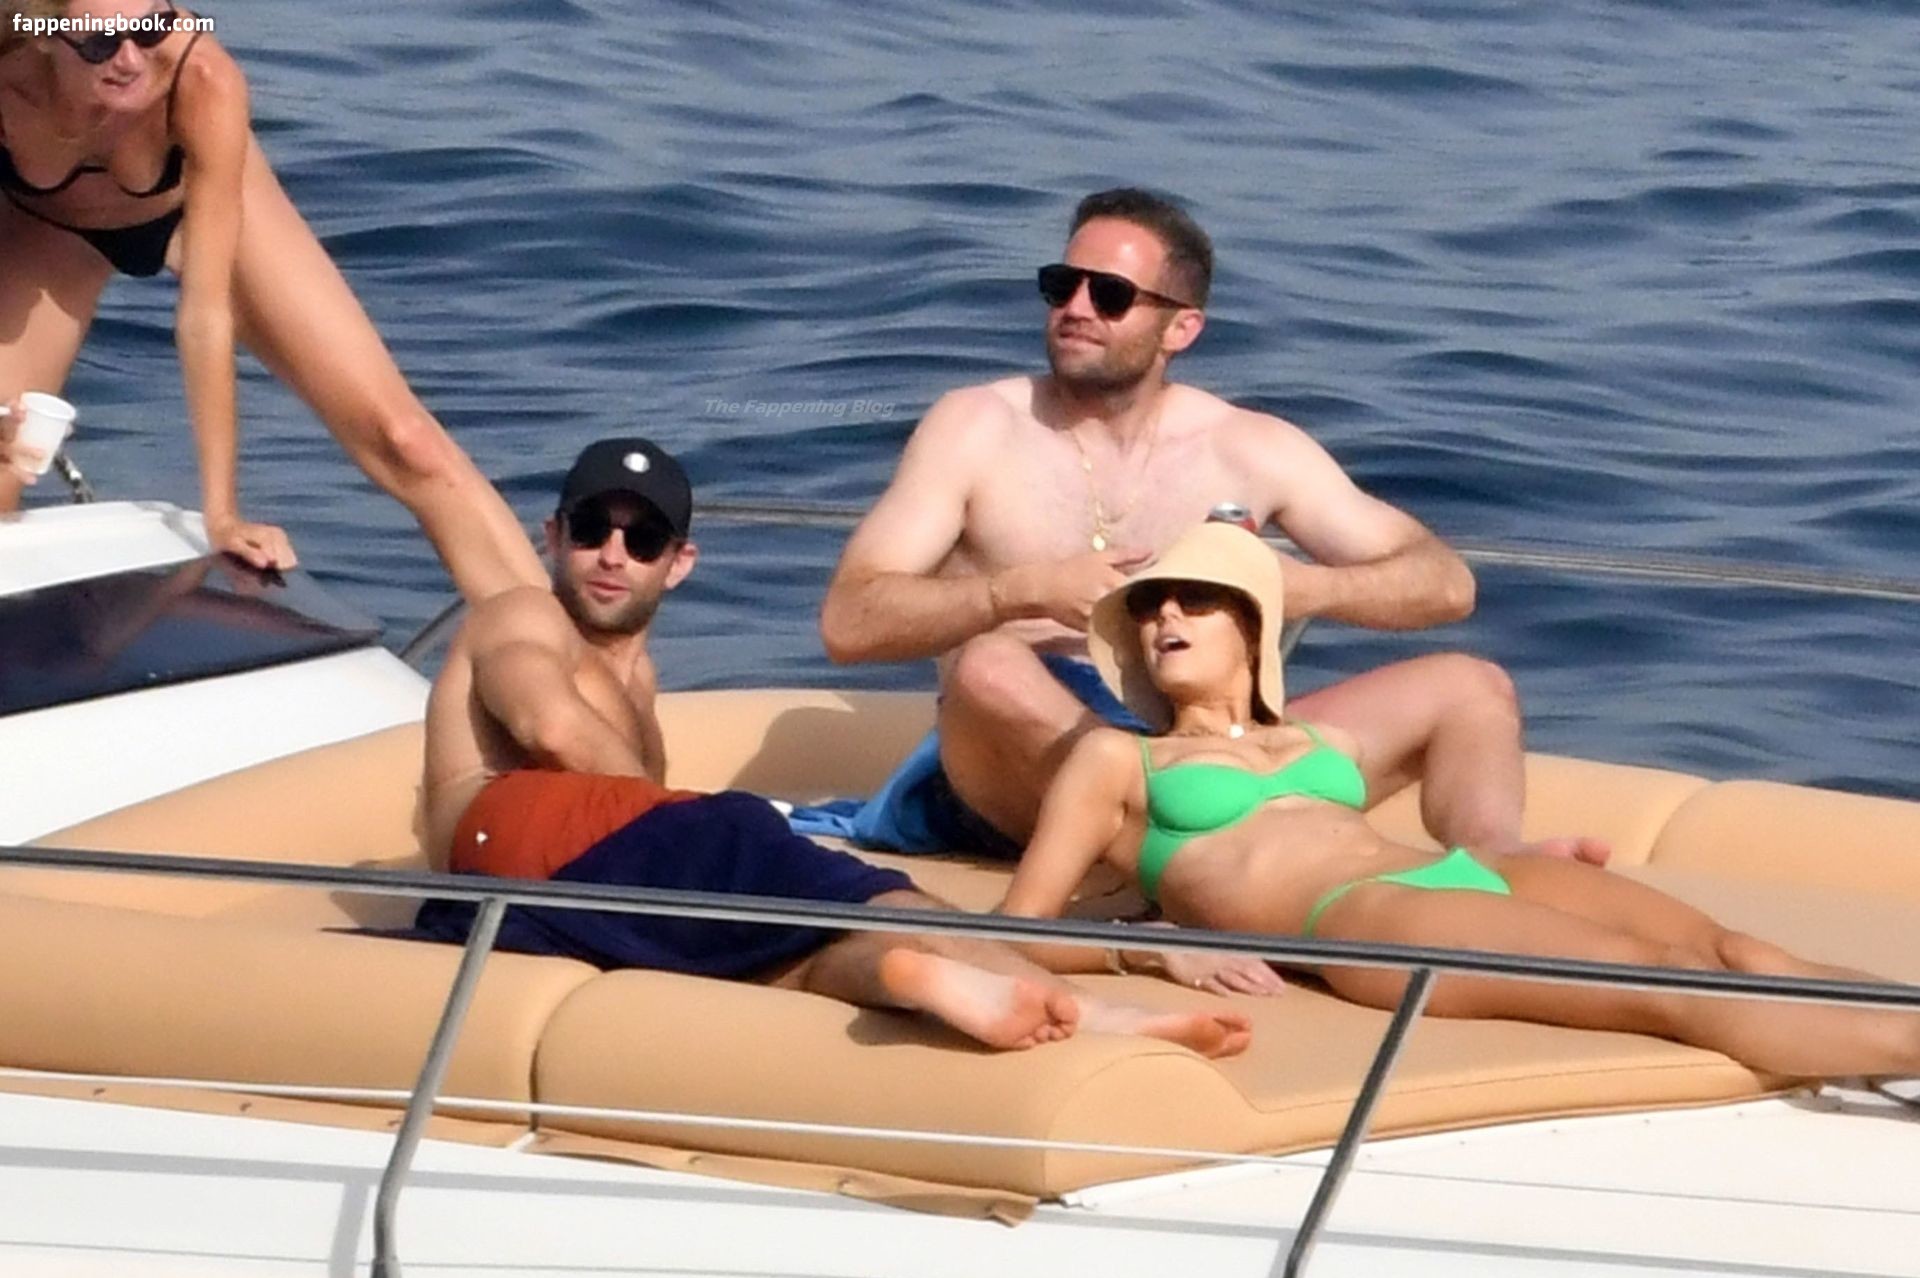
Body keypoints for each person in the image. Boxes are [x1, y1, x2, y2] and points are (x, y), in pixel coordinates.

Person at [818, 186, 1603, 868]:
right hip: (1024, 770)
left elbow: (1445, 583)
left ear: (1181, 329)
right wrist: (1015, 593)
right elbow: (849, 621)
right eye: (1062, 286)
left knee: (1471, 686)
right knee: (990, 666)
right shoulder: (977, 427)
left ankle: (1497, 862)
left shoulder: (1246, 447)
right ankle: (1198, 857)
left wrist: (1302, 588)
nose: (1076, 309)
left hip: (1213, 751)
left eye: (1110, 295)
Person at [413, 437, 1253, 1058]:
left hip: (535, 896)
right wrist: (695, 823)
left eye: (642, 541)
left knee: (791, 955)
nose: (612, 555)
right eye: (592, 529)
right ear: (552, 536)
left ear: (679, 563)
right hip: (511, 836)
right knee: (812, 866)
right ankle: (1086, 1012)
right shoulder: (522, 614)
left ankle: (901, 975)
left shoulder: (636, 680)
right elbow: (550, 729)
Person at [993, 519, 1920, 1075]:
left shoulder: (1315, 740)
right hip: (1361, 919)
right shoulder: (1119, 760)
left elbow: (1458, 689)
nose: (1165, 616)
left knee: (1737, 950)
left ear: (1251, 627)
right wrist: (1149, 949)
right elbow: (1017, 927)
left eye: (1194, 600)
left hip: (1461, 873)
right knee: (1666, 985)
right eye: (1149, 607)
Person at [0, 0, 542, 598]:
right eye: (102, 44)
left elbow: (206, 316)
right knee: (2, 464)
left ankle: (553, 643)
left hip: (201, 208)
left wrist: (222, 513)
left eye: (151, 28)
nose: (131, 59)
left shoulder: (201, 79)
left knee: (405, 442)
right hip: (48, 231)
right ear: (42, 37)